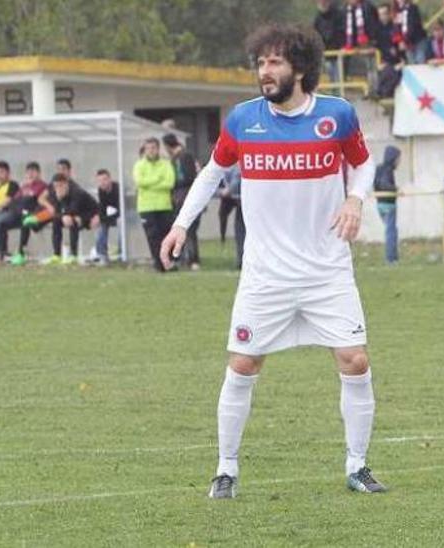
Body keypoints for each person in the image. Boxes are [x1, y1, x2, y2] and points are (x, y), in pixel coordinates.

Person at [161, 23, 385, 500]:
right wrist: (181, 224)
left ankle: (358, 465)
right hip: (266, 274)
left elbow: (363, 162)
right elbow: (211, 172)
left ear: (300, 68)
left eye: (275, 62)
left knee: (355, 358)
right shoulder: (243, 119)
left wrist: (355, 199)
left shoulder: (337, 115)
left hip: (327, 267)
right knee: (242, 365)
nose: (265, 71)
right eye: (260, 62)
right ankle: (226, 469)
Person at [37, 172, 100, 265]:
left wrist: (63, 210)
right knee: (56, 221)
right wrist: (63, 215)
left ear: (66, 184)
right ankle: (57, 255)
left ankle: (73, 255)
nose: (58, 188)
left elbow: (74, 209)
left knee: (72, 221)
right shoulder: (55, 193)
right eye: (56, 186)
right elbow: (55, 212)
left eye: (60, 185)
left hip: (90, 214)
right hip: (72, 214)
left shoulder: (76, 192)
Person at [134, 137, 176, 272]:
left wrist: (149, 184)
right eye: (148, 148)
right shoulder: (139, 165)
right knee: (152, 237)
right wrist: (158, 179)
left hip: (164, 206)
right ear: (145, 150)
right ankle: (159, 264)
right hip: (146, 207)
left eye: (153, 148)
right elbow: (140, 182)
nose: (151, 151)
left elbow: (169, 183)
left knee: (165, 236)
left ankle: (168, 263)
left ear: (158, 149)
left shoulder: (166, 164)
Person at [164, 133, 202, 270]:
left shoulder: (183, 157)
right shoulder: (177, 157)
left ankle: (193, 260)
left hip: (185, 197)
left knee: (188, 229)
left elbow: (187, 176)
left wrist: (172, 183)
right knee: (184, 229)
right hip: (181, 197)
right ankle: (185, 257)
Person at [374, 145, 401, 264]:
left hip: (380, 204)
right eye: (398, 159)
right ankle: (391, 259)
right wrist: (396, 189)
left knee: (391, 230)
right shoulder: (387, 170)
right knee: (391, 232)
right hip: (388, 204)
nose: (399, 162)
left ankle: (393, 257)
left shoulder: (379, 168)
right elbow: (384, 184)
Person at [0, 161, 19, 261]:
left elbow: (7, 201)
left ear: (8, 173)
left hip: (10, 213)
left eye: (1, 172)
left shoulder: (13, 184)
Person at [219, 165, 246, 270]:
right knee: (240, 230)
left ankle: (242, 259)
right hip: (241, 199)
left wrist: (228, 190)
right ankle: (241, 259)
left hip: (244, 199)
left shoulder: (238, 166)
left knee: (241, 230)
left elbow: (236, 180)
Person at [94, 169, 120, 265]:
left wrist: (104, 218)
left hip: (125, 215)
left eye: (104, 179)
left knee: (121, 223)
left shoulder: (117, 189)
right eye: (100, 181)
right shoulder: (101, 191)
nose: (102, 183)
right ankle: (102, 255)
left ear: (110, 179)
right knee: (101, 225)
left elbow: (121, 210)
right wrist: (100, 218)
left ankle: (122, 253)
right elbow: (102, 207)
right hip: (113, 216)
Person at [394, 0, 428, 65]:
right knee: (412, 64)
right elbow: (398, 27)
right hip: (407, 44)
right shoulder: (398, 11)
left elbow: (413, 26)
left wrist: (405, 40)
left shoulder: (413, 8)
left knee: (420, 62)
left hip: (418, 41)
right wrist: (400, 41)